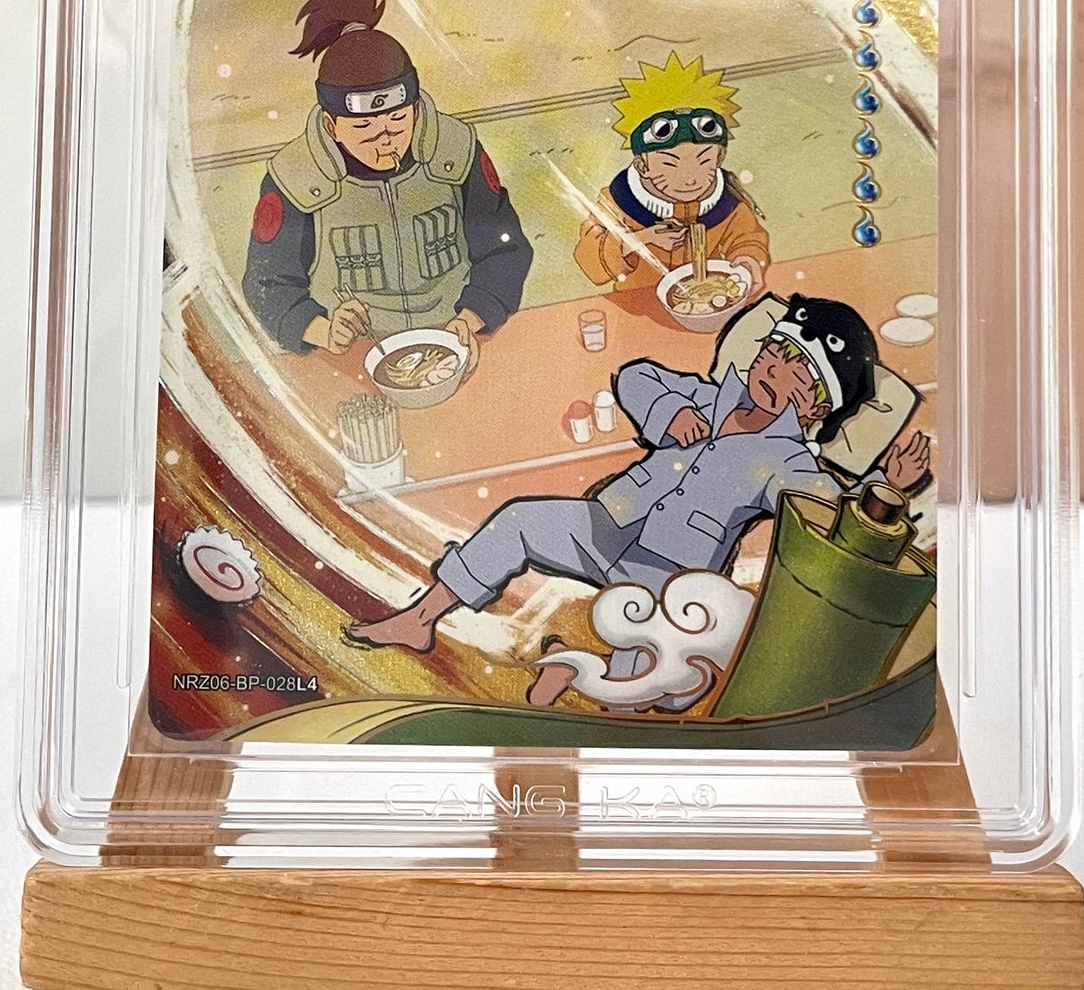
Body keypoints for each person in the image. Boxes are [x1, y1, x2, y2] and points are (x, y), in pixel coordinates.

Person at [344, 293, 882, 699]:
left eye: (801, 376)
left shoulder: (788, 459)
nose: (777, 373)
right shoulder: (712, 396)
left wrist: (884, 486)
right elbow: (635, 378)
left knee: (639, 681)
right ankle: (421, 619)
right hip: (612, 522)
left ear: (816, 409)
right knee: (518, 521)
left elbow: (827, 505)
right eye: (777, 354)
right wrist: (670, 412)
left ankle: (569, 665)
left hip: (668, 575)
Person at [242, 0, 531, 358]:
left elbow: (504, 248)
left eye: (397, 120)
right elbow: (266, 281)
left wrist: (470, 318)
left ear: (415, 108)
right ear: (331, 125)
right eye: (363, 126)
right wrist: (323, 330)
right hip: (355, 355)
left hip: (456, 337)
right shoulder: (296, 176)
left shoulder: (456, 150)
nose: (385, 138)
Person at [574, 52, 771, 302]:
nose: (690, 179)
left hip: (709, 300)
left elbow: (748, 239)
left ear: (720, 157)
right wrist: (642, 239)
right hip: (636, 304)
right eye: (670, 164)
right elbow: (589, 260)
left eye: (704, 161)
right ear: (642, 166)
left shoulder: (727, 200)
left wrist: (748, 263)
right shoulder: (618, 200)